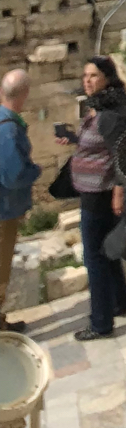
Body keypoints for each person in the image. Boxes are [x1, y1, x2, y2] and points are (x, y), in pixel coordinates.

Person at [59, 54, 126, 341]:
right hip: (94, 190)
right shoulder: (102, 106)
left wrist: (118, 191)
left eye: (93, 76)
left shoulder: (114, 111)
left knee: (94, 258)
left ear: (107, 78)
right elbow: (100, 144)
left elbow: (123, 154)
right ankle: (119, 302)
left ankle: (101, 323)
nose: (87, 81)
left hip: (100, 194)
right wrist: (74, 139)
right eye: (84, 76)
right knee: (108, 252)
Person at [0, 69, 41, 330]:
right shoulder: (9, 130)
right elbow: (13, 176)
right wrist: (35, 171)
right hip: (3, 211)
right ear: (25, 94)